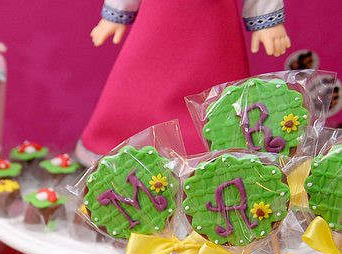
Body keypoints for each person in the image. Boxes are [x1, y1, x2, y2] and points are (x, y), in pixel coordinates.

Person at [81, 1, 290, 158]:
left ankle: (211, 145)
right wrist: (114, 15)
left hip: (213, 25)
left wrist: (267, 21)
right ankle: (122, 138)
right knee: (141, 83)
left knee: (214, 90)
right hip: (159, 20)